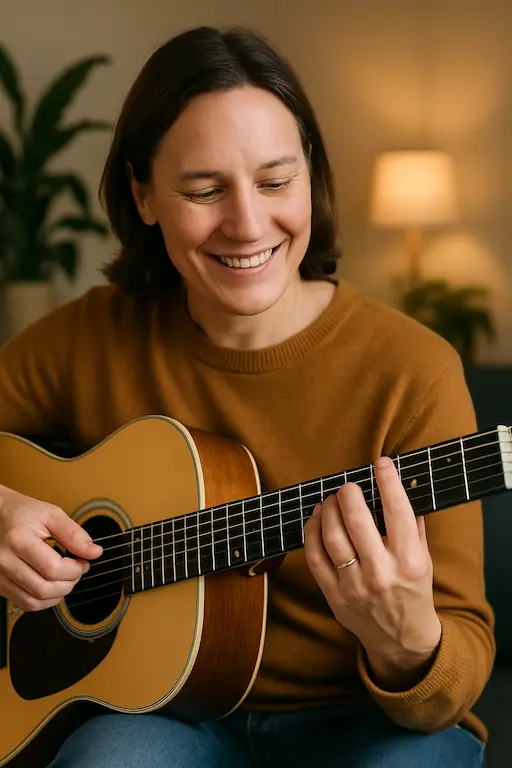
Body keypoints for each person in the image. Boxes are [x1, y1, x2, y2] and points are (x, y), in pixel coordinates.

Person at [0, 25, 493, 768]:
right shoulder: (87, 338)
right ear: (143, 195)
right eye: (203, 189)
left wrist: (407, 642)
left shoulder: (413, 371)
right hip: (162, 719)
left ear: (311, 176)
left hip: (368, 725)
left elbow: (456, 677)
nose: (248, 224)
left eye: (276, 180)